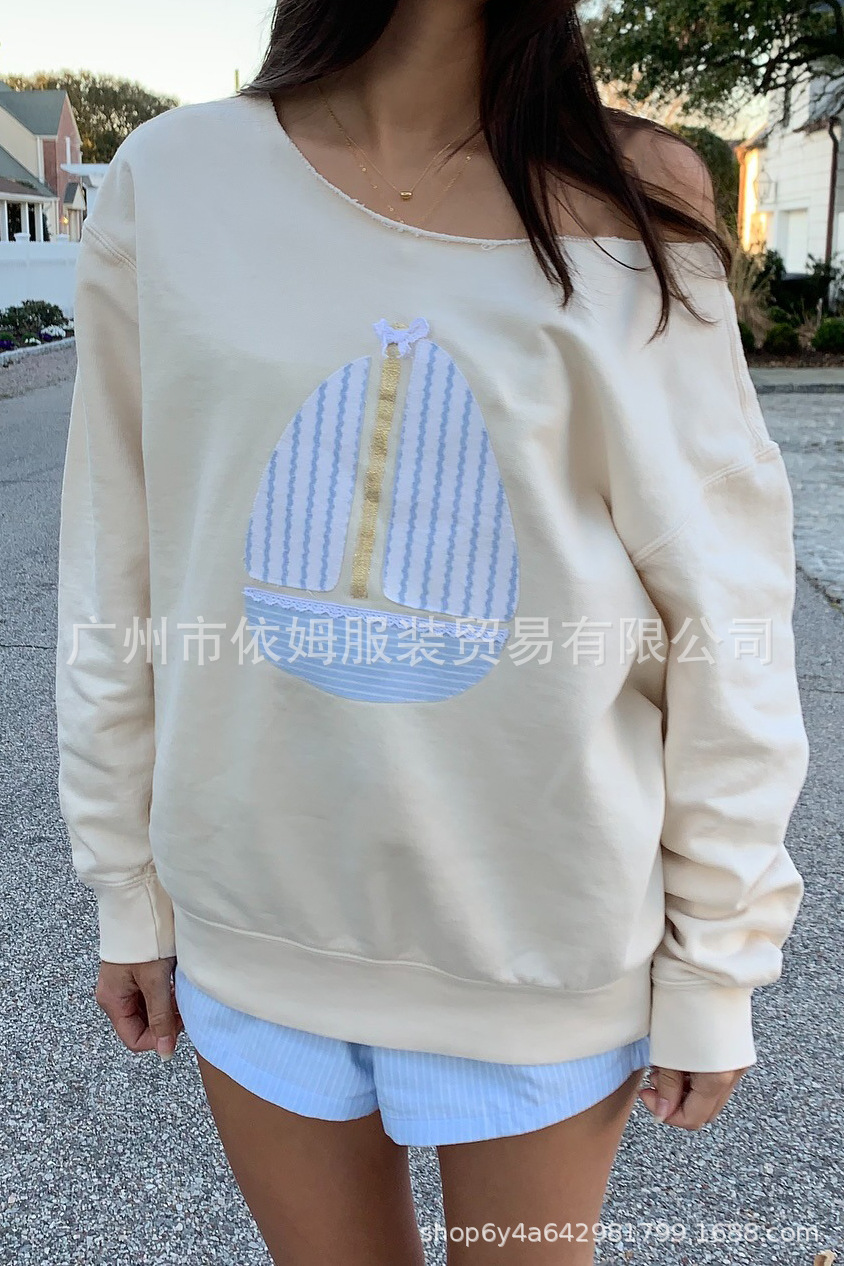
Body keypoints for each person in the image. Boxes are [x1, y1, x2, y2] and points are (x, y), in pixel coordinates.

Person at [54, 2, 810, 1262]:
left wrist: (716, 959)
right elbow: (115, 557)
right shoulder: (174, 179)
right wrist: (124, 886)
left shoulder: (632, 194)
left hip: (539, 946)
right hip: (257, 925)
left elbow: (722, 600)